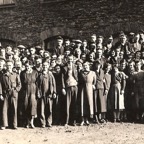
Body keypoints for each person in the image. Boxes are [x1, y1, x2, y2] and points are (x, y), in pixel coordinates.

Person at [0, 60, 21, 130]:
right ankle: (4, 124)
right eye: (7, 65)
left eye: (10, 65)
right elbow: (0, 85)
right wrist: (0, 94)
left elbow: (19, 84)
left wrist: (16, 90)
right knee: (4, 109)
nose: (9, 67)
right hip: (5, 93)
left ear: (12, 66)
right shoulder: (2, 75)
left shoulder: (15, 74)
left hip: (13, 93)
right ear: (5, 66)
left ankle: (14, 124)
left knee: (14, 108)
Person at [37, 61, 56, 127]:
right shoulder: (40, 75)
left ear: (48, 66)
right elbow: (38, 85)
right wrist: (38, 93)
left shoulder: (50, 74)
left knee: (49, 109)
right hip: (42, 94)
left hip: (49, 95)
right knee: (42, 110)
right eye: (43, 66)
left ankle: (49, 122)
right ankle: (43, 123)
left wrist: (54, 92)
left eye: (46, 66)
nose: (45, 67)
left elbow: (54, 84)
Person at [20, 61, 39, 128]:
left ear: (31, 66)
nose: (27, 67)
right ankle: (27, 122)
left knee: (32, 105)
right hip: (25, 90)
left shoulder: (35, 72)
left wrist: (38, 92)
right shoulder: (22, 73)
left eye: (28, 66)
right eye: (26, 66)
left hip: (33, 90)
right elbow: (21, 83)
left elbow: (37, 82)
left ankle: (32, 122)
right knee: (26, 105)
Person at [63, 55, 78, 126]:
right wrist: (63, 88)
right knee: (67, 105)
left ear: (73, 60)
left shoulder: (76, 67)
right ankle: (66, 121)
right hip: (67, 87)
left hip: (75, 86)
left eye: (71, 59)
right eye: (68, 59)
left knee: (74, 104)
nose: (70, 60)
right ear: (66, 59)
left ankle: (73, 121)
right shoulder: (64, 68)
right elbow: (62, 79)